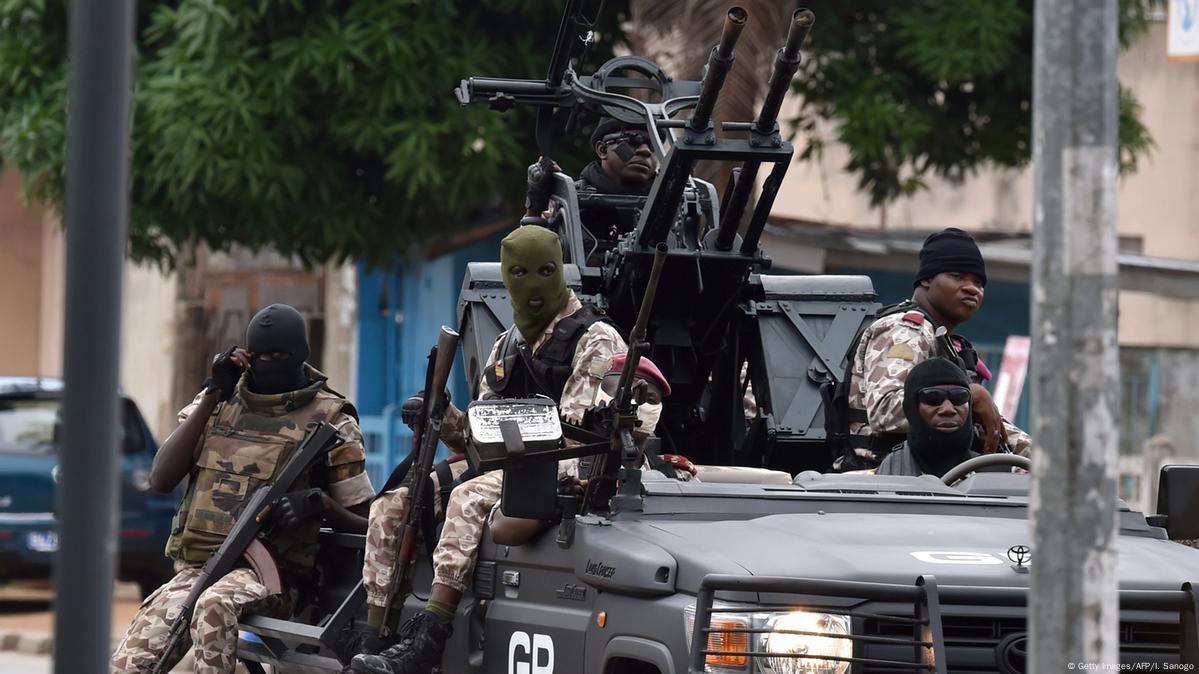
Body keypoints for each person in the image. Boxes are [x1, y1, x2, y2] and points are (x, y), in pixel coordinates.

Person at [349, 225, 627, 670]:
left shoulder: (596, 340)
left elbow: (577, 441)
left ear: (560, 273)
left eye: (544, 271)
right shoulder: (507, 344)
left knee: (466, 496)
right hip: (507, 464)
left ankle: (429, 640)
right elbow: (479, 437)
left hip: (565, 466)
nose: (532, 285)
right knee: (393, 504)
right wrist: (441, 415)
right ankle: (375, 634)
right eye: (519, 273)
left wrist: (512, 445)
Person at [351, 353, 678, 674]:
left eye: (647, 395)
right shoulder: (560, 450)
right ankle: (394, 637)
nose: (637, 401)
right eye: (628, 390)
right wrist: (556, 501)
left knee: (465, 496)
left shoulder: (658, 478)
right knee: (401, 501)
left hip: (596, 586)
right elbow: (503, 517)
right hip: (556, 573)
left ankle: (425, 638)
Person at [111, 304, 373, 674]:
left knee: (215, 604)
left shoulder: (332, 420)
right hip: (200, 570)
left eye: (279, 355)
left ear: (300, 354)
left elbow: (367, 522)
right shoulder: (219, 403)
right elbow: (161, 478)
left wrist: (321, 505)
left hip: (275, 578)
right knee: (130, 664)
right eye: (260, 355)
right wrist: (213, 394)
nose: (268, 362)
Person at [840, 227, 1031, 471]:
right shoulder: (906, 331)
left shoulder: (944, 342)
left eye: (978, 282)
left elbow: (986, 424)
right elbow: (885, 411)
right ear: (927, 279)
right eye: (957, 276)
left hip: (931, 473)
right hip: (882, 476)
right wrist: (970, 396)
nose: (972, 288)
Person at [525, 117, 660, 263]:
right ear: (602, 149)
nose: (645, 151)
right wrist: (536, 205)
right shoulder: (568, 202)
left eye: (653, 146)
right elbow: (528, 260)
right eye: (633, 141)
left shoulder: (673, 205)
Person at [876, 358, 979, 478]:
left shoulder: (993, 472)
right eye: (933, 397)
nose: (948, 409)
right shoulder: (888, 475)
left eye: (959, 397)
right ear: (912, 408)